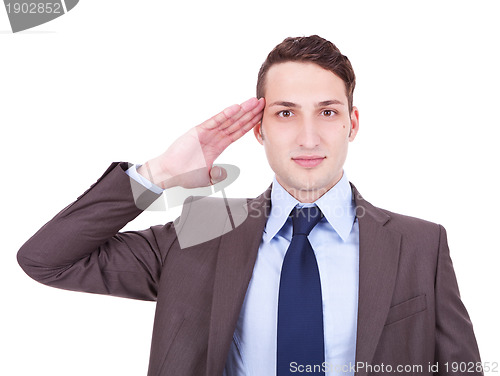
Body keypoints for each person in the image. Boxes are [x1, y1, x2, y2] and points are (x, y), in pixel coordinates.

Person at [17, 35, 482, 376]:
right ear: (259, 129)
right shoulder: (204, 228)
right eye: (285, 113)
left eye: (327, 111)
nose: (307, 137)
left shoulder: (420, 243)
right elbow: (47, 260)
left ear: (352, 123)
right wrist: (157, 174)